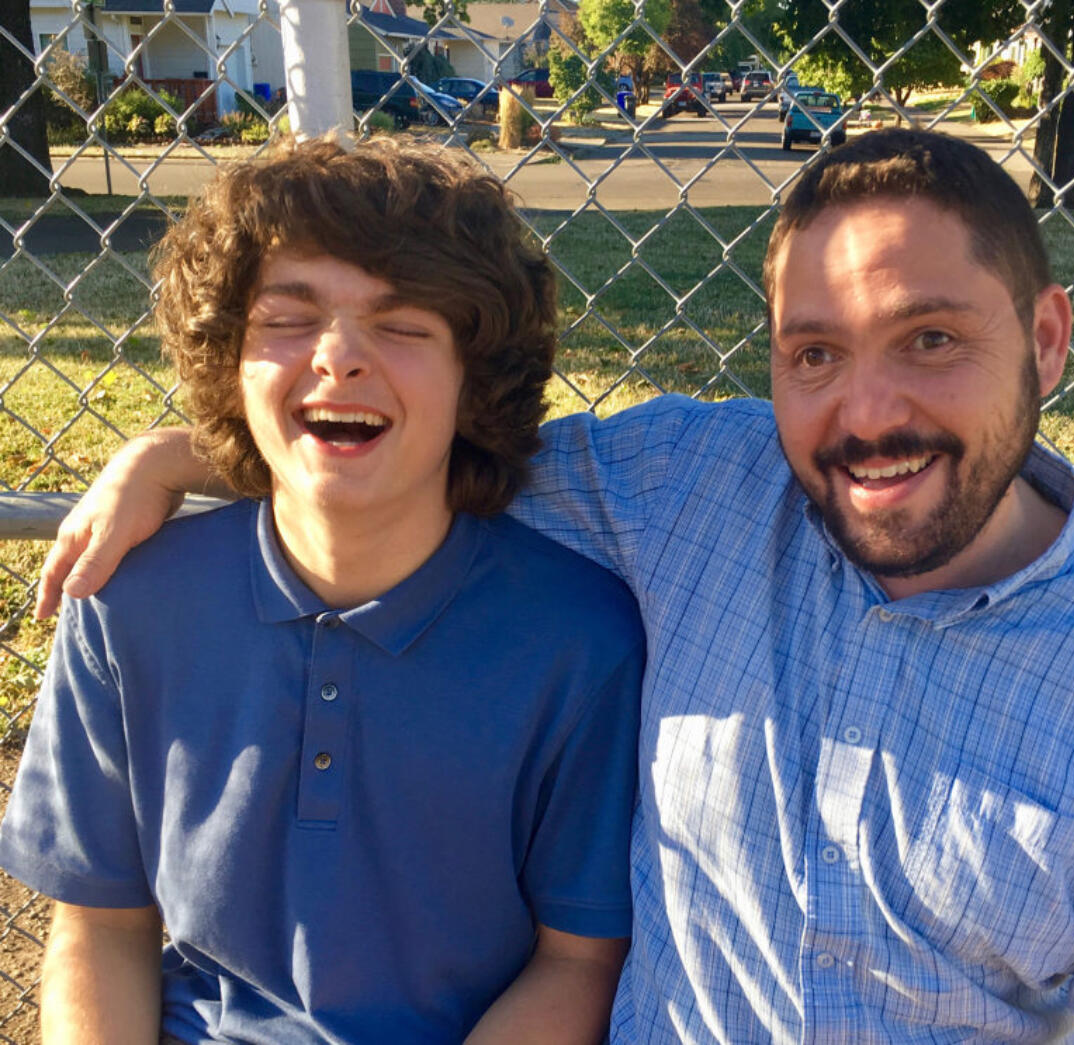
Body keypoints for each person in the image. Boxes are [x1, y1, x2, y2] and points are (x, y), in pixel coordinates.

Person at [34, 129, 1074, 1042]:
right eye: (813, 353)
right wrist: (184, 452)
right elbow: (411, 442)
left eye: (929, 339)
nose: (866, 415)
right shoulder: (693, 491)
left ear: (1046, 338)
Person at [0, 135, 644, 1043]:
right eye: (288, 319)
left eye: (404, 324)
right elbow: (101, 925)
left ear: (474, 378)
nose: (338, 357)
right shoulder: (126, 602)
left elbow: (577, 957)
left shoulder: (579, 638)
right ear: (230, 361)